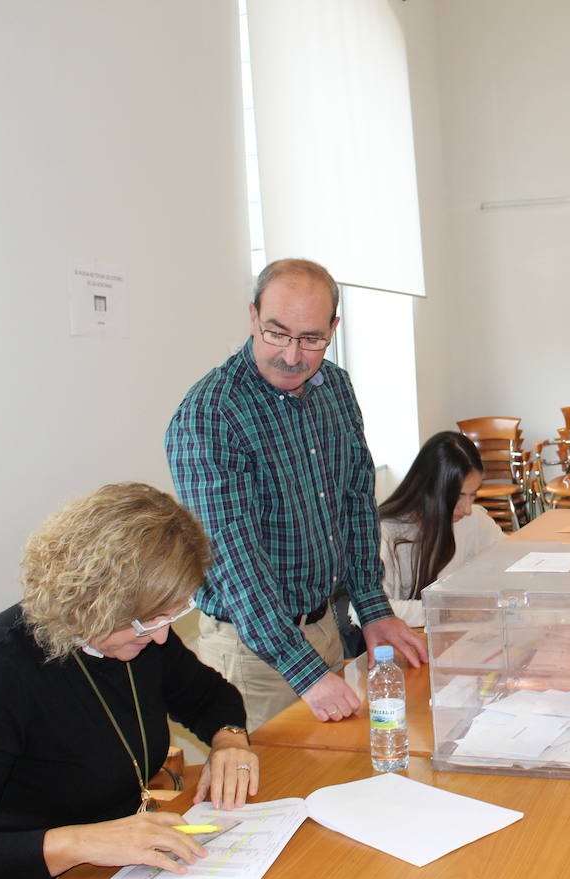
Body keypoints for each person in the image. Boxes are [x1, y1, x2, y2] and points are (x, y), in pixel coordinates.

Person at [0, 483, 259, 879]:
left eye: (172, 616)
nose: (162, 635)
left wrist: (230, 741)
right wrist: (82, 840)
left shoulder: (136, 636)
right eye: (149, 621)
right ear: (96, 601)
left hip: (109, 872)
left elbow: (210, 697)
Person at [166, 258, 427, 731]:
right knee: (277, 798)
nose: (291, 356)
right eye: (276, 333)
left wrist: (373, 610)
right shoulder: (211, 414)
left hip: (324, 625)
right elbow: (233, 561)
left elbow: (354, 501)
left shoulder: (336, 389)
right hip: (255, 651)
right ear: (252, 317)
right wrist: (306, 674)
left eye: (311, 339)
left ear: (334, 329)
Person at [378, 431, 505, 626]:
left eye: (473, 495)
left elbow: (509, 560)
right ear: (429, 490)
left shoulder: (473, 519)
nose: (467, 509)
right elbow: (371, 611)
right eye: (459, 496)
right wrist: (449, 611)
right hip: (405, 642)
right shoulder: (385, 531)